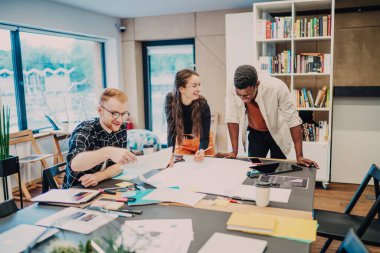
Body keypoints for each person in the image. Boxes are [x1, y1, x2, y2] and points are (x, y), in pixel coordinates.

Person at [216, 65, 318, 168]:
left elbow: (293, 120)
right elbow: (232, 117)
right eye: (239, 95)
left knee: (278, 169)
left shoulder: (277, 87)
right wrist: (234, 151)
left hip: (278, 132)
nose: (243, 99)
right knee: (255, 168)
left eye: (247, 95)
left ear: (257, 84)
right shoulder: (231, 84)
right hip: (255, 134)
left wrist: (299, 156)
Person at [62, 88, 137, 189]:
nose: (119, 119)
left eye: (123, 114)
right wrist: (109, 152)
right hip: (76, 191)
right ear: (100, 110)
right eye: (114, 113)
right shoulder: (85, 130)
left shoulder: (121, 127)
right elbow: (75, 164)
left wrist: (98, 176)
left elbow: (120, 165)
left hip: (102, 186)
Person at [165, 69, 215, 162]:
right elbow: (171, 131)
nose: (199, 89)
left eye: (199, 85)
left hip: (202, 140)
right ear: (181, 89)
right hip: (182, 142)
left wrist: (201, 151)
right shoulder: (170, 100)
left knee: (205, 169)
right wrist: (170, 154)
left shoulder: (203, 104)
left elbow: (205, 135)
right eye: (194, 86)